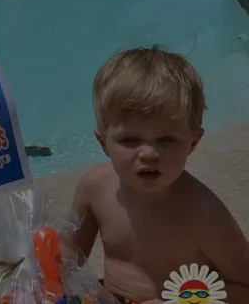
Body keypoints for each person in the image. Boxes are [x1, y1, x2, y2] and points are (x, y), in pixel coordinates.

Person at [66, 46, 249, 303]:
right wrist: (46, 263)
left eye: (166, 140)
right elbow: (69, 253)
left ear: (193, 143)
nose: (149, 153)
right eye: (130, 140)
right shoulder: (95, 188)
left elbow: (243, 285)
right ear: (103, 142)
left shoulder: (203, 213)